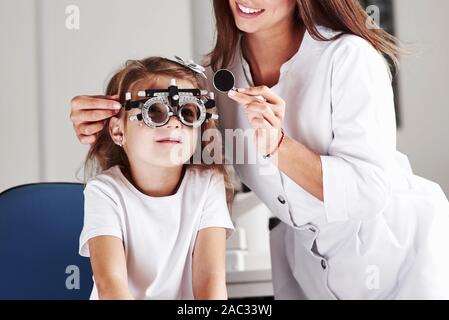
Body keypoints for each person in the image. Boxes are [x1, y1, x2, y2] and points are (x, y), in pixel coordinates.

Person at [72, 1, 449, 299]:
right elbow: (165, 114)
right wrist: (104, 118)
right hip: (308, 268)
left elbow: (368, 193)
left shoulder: (350, 58)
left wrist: (280, 146)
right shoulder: (216, 77)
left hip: (400, 257)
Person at [79, 57, 234, 300]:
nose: (174, 123)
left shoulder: (207, 185)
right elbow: (111, 286)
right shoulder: (105, 191)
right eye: (154, 111)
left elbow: (210, 285)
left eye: (187, 112)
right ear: (118, 131)